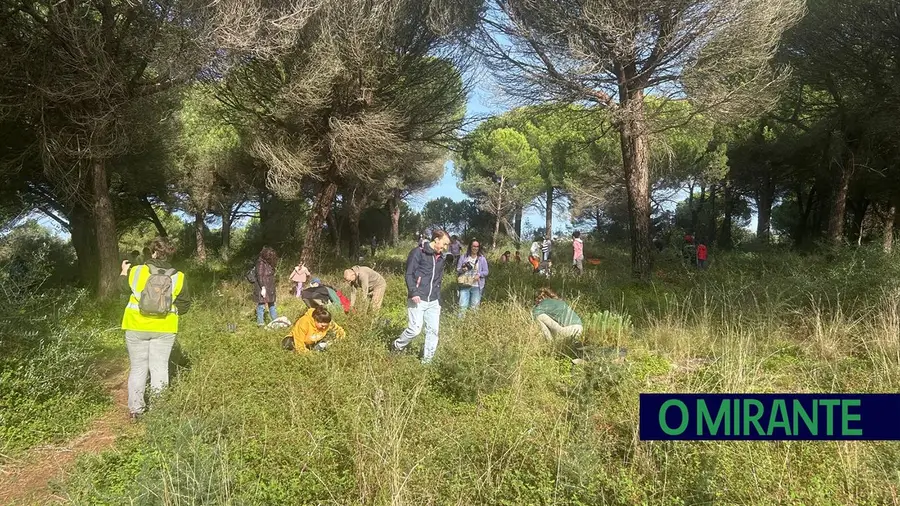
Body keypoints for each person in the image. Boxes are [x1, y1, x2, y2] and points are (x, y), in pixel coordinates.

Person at [119, 237, 191, 421]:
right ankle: (159, 410)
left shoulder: (136, 271)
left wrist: (123, 272)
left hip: (135, 325)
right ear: (170, 255)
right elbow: (184, 306)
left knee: (138, 368)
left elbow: (121, 289)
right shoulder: (179, 276)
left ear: (152, 252)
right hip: (165, 327)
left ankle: (136, 410)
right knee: (159, 368)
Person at [391, 229, 451, 364]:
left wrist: (438, 299)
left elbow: (438, 280)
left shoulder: (441, 258)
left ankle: (427, 363)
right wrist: (413, 291)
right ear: (436, 239)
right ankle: (397, 345)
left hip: (434, 301)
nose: (445, 248)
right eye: (444, 244)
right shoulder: (418, 252)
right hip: (418, 298)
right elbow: (409, 274)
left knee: (433, 333)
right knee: (415, 330)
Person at [456, 239, 489, 316]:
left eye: (477, 246)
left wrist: (479, 275)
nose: (475, 248)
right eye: (474, 246)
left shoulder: (482, 259)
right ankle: (460, 325)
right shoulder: (463, 257)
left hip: (476, 286)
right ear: (470, 246)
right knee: (462, 306)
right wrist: (462, 270)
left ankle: (473, 325)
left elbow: (486, 271)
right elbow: (458, 269)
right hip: (465, 285)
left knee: (474, 308)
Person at [254, 246, 279, 327]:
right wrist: (263, 288)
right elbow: (259, 276)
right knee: (261, 306)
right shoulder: (260, 263)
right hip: (263, 287)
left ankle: (275, 321)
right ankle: (260, 323)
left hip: (269, 287)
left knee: (272, 305)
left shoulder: (268, 262)